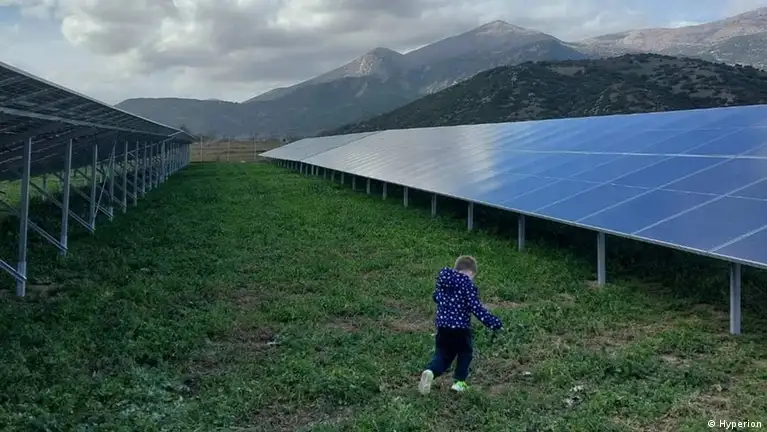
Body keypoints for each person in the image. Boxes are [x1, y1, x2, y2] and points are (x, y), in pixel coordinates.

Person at [418, 255, 503, 394]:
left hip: (443, 328)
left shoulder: (444, 282)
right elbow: (476, 308)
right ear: (470, 272)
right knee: (465, 353)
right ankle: (459, 382)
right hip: (460, 328)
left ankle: (430, 371)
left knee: (443, 355)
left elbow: (436, 297)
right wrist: (494, 323)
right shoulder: (467, 285)